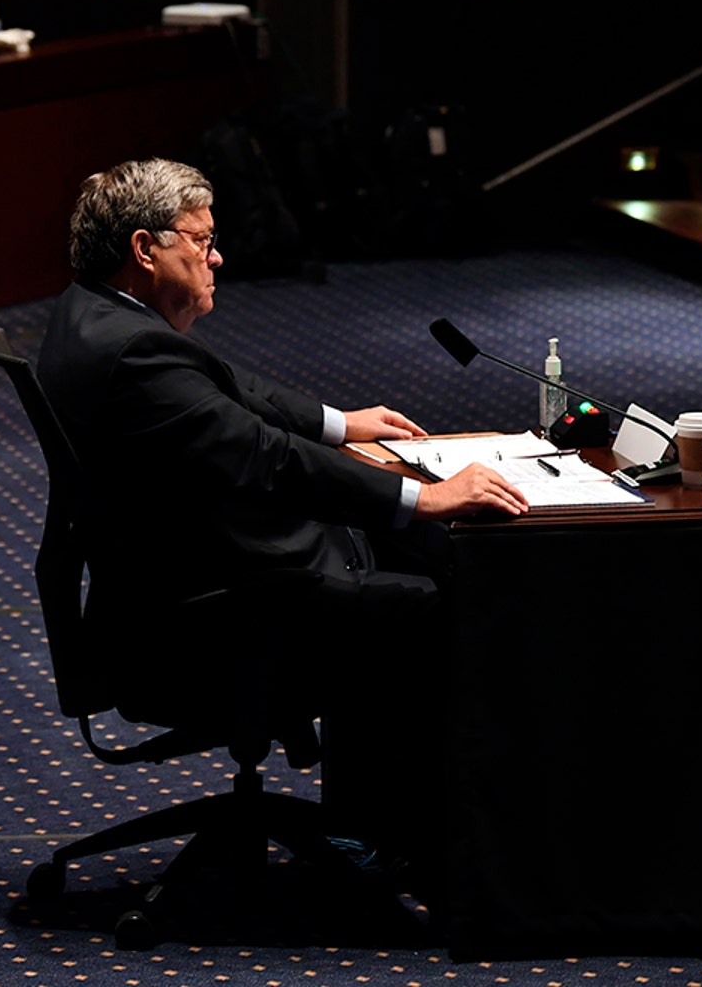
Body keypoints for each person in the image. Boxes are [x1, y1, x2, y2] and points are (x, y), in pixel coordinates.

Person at [37, 158, 526, 860]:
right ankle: (431, 847)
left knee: (388, 555)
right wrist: (425, 499)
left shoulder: (93, 315)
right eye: (200, 241)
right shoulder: (137, 352)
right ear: (145, 250)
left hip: (153, 586)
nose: (217, 256)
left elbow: (229, 387)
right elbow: (265, 456)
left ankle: (388, 822)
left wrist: (340, 423)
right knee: (437, 604)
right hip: (193, 619)